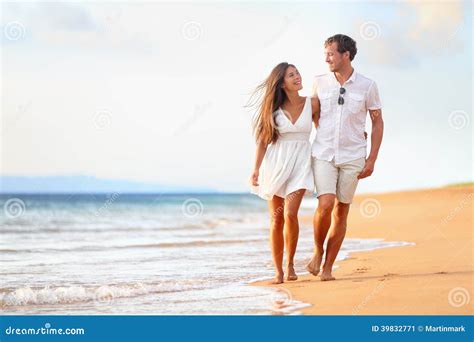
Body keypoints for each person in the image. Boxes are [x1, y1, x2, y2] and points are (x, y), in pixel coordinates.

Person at [306, 34, 384, 281]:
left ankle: (328, 267)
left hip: (353, 156)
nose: (326, 58)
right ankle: (318, 251)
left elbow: (377, 122)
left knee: (341, 211)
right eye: (326, 53)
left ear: (346, 55)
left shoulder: (368, 86)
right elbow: (313, 114)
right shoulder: (319, 82)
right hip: (323, 153)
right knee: (325, 204)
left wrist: (371, 159)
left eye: (331, 53)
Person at [249, 62, 319, 284]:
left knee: (290, 213)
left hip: (301, 163)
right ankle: (278, 271)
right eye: (291, 75)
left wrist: (357, 134)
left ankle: (290, 265)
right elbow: (262, 141)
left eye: (297, 72)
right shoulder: (273, 110)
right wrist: (256, 169)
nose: (297, 76)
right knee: (277, 219)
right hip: (277, 164)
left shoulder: (313, 104)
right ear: (281, 83)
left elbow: (327, 129)